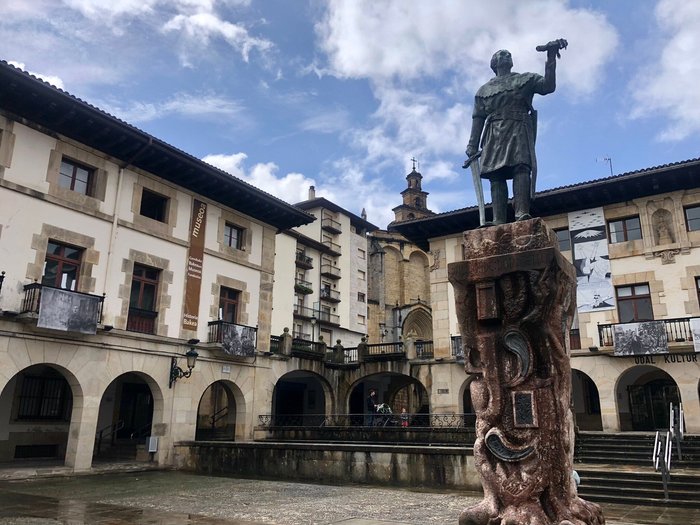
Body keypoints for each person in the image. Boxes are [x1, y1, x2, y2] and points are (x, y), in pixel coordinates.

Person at [466, 41, 566, 224]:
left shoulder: (524, 79)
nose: (506, 55)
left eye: (508, 54)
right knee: (496, 175)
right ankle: (498, 220)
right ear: (494, 64)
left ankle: (521, 213)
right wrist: (472, 144)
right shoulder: (483, 91)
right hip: (493, 134)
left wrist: (551, 57)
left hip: (518, 128)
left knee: (521, 168)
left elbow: (548, 86)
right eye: (501, 54)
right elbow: (478, 117)